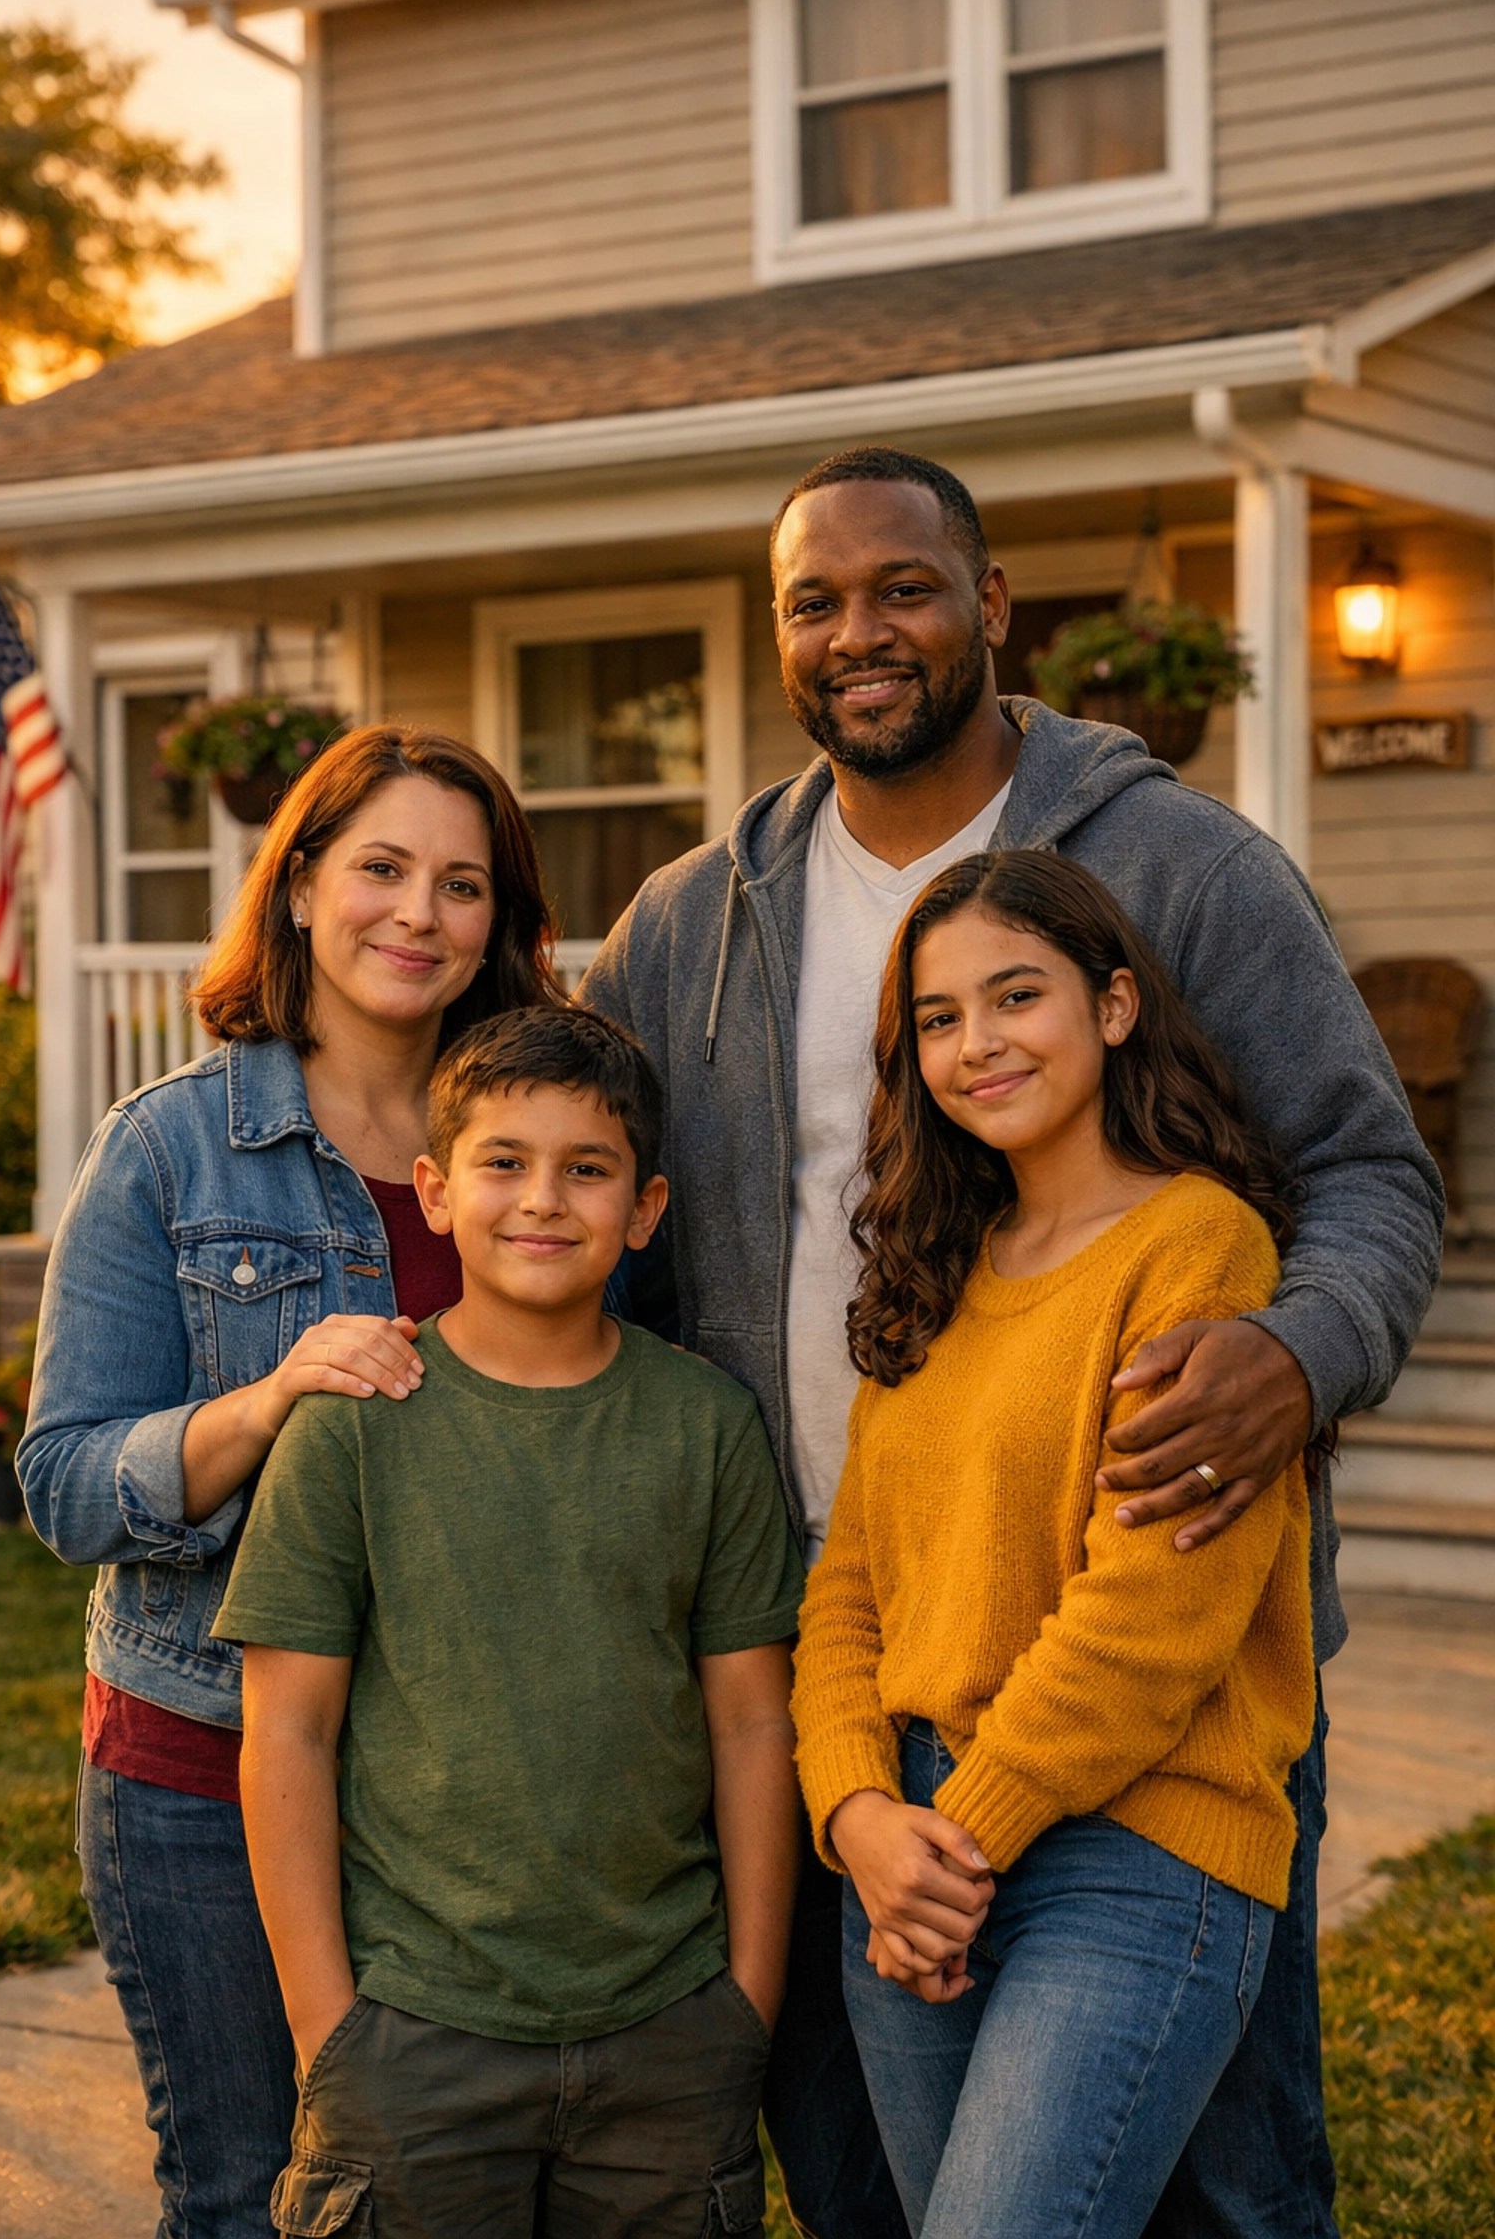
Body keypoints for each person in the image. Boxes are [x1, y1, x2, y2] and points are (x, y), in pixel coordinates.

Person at [582, 444, 1443, 2239]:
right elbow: (577, 1198)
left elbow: (1368, 1170)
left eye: (903, 586)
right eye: (813, 600)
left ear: (990, 606)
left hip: (1139, 1633)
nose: (858, 631)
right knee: (863, 2169)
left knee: (1213, 2182)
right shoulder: (692, 920)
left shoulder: (1181, 866)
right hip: (837, 1647)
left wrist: (1297, 1352)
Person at [19, 725, 561, 2239]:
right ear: (304, 884)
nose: (418, 914)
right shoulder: (172, 1152)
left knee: (459, 2198)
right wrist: (268, 1399)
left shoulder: (544, 1138)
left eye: (463, 885)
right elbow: (63, 1483)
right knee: (255, 2194)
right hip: (203, 1767)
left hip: (475, 1786)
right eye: (381, 867)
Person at [213, 1005, 804, 2237]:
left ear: (642, 1212)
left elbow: (752, 1725)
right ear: (433, 1192)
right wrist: (332, 2031)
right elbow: (287, 1736)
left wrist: (746, 1999)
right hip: (416, 2040)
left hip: (668, 2031)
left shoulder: (706, 1425)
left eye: (586, 1170)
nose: (544, 1199)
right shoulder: (355, 1424)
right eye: (504, 1163)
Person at [793, 848, 1316, 2239]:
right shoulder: (935, 1265)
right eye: (941, 1021)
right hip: (908, 1842)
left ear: (1117, 1006)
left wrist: (962, 1837)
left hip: (1130, 1843)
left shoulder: (1198, 1248)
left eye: (1016, 996)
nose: (979, 1046)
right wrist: (857, 1819)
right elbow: (851, 1592)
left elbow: (1155, 1614)